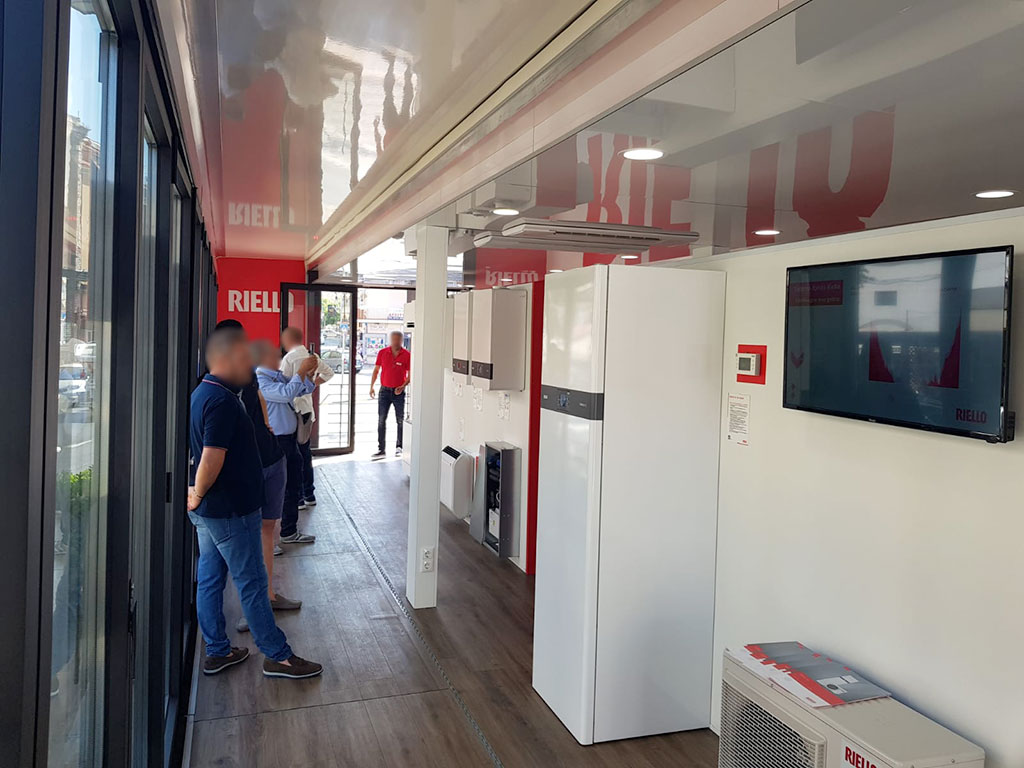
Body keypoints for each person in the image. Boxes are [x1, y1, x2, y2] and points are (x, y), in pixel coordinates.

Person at [187, 326, 322, 679]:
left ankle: (218, 650)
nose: (251, 364)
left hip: (213, 510)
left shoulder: (206, 392)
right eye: (245, 357)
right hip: (229, 510)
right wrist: (197, 492)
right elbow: (211, 457)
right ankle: (278, 656)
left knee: (211, 578)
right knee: (252, 582)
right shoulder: (220, 401)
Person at [214, 320, 305, 632]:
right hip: (248, 466)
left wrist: (266, 424)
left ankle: (266, 596)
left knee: (267, 530)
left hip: (270, 458)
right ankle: (251, 609)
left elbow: (264, 401)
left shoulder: (251, 375)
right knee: (246, 539)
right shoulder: (218, 382)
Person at [256, 340, 318, 545]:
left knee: (293, 485)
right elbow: (286, 394)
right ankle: (267, 542)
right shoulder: (260, 380)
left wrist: (309, 374)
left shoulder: (277, 377)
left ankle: (289, 531)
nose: (279, 360)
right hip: (276, 442)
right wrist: (301, 371)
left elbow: (302, 389)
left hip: (289, 441)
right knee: (275, 490)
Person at [280, 326, 334, 508]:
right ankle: (309, 494)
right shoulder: (313, 357)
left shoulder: (289, 358)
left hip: (292, 409)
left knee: (293, 455)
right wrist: (311, 384)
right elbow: (329, 373)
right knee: (305, 451)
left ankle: (298, 498)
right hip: (307, 410)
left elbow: (283, 385)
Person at [369, 329, 410, 460]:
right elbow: (376, 370)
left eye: (398, 339)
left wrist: (403, 386)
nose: (396, 342)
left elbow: (411, 374)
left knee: (400, 420)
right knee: (381, 420)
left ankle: (399, 446)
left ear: (402, 340)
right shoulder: (383, 353)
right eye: (394, 339)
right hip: (384, 391)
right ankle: (381, 449)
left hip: (398, 392)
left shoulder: (407, 355)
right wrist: (371, 387)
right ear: (390, 340)